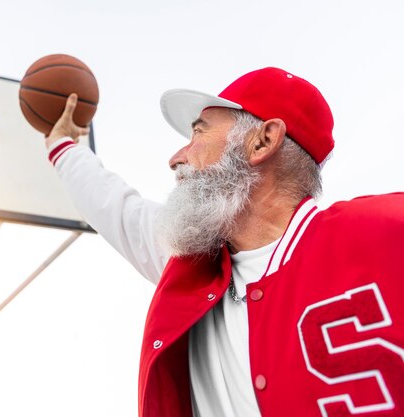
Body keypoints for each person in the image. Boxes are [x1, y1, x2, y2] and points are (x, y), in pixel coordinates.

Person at [44, 67, 404, 417]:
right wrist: (62, 145)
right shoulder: (191, 264)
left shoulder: (387, 230)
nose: (176, 158)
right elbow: (115, 206)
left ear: (262, 141)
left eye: (198, 134)